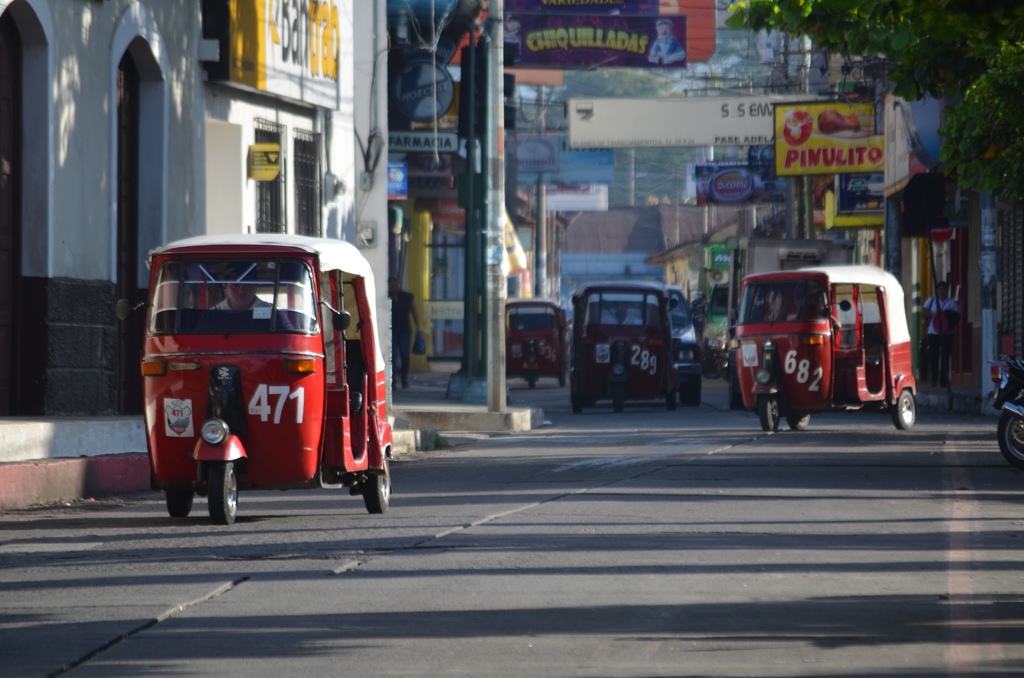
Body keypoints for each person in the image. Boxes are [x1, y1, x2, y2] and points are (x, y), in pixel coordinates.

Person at [922, 281, 959, 388]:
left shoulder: (951, 303)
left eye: (944, 289)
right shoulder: (931, 301)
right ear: (937, 291)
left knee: (945, 356)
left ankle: (944, 380)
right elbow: (923, 312)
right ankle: (934, 379)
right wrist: (932, 314)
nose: (942, 292)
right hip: (933, 333)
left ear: (947, 291)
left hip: (947, 333)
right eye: (940, 289)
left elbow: (957, 317)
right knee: (933, 356)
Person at [388, 275, 421, 390]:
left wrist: (418, 328)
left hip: (405, 330)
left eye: (396, 285)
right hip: (391, 330)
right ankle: (393, 380)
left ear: (399, 284)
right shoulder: (386, 297)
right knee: (392, 356)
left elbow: (414, 313)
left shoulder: (407, 297)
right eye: (392, 285)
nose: (394, 287)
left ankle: (404, 378)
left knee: (404, 355)